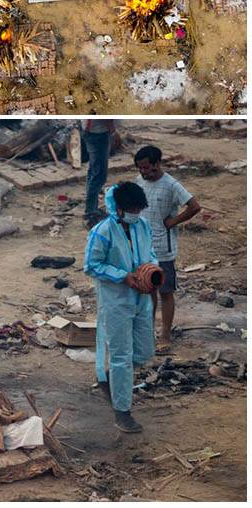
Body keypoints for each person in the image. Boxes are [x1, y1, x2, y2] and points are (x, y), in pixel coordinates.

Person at [83, 182, 158, 434]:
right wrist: (123, 276)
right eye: (133, 209)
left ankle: (110, 378)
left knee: (143, 352)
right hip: (116, 301)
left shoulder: (142, 226)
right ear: (120, 208)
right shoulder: (102, 231)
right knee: (121, 356)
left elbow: (151, 253)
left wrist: (151, 269)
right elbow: (91, 265)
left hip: (141, 298)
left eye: (139, 209)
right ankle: (122, 412)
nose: (136, 213)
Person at [134, 145, 201, 354]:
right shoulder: (139, 182)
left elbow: (194, 206)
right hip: (143, 247)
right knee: (148, 290)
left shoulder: (171, 185)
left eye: (147, 167)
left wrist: (173, 221)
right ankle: (148, 332)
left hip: (163, 249)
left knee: (165, 292)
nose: (143, 172)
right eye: (140, 168)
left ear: (157, 163)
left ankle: (165, 335)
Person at [82, 119, 116, 227]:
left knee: (94, 170)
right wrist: (112, 129)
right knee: (99, 175)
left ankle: (92, 208)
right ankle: (91, 212)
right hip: (98, 134)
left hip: (92, 131)